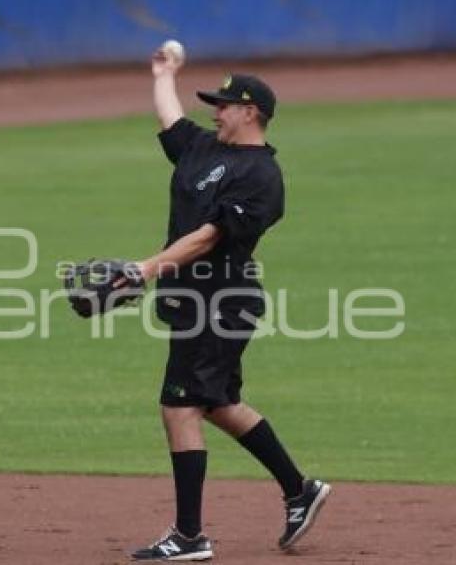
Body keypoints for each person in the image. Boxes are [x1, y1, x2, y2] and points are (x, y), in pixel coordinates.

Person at [127, 47, 332, 561]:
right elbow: (170, 120)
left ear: (251, 112)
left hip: (220, 304)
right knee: (216, 404)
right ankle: (299, 490)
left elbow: (206, 239)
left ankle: (190, 536)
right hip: (193, 302)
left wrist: (142, 269)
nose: (214, 110)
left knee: (178, 406)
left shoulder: (262, 178)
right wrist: (163, 75)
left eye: (224, 104)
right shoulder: (203, 148)